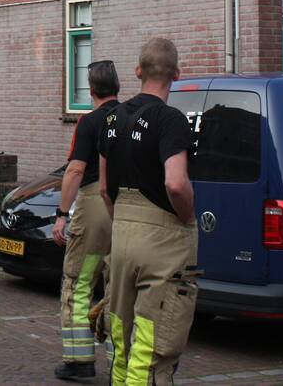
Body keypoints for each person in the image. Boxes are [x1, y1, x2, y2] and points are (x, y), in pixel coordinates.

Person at [99, 38, 198, 386]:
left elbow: (103, 188)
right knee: (155, 339)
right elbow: (176, 183)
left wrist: (122, 222)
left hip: (122, 236)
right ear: (177, 74)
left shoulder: (111, 119)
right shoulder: (171, 120)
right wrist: (188, 219)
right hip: (164, 242)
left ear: (138, 71)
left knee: (120, 332)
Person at [52, 60, 120, 383]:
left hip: (94, 209)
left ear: (91, 90)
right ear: (118, 87)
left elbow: (76, 169)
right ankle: (121, 365)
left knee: (79, 282)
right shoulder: (130, 117)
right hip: (127, 210)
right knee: (118, 287)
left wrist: (62, 215)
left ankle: (79, 360)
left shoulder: (89, 123)